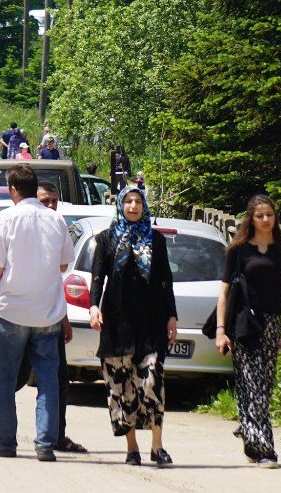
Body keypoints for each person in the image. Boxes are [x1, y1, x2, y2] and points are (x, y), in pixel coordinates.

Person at [214, 195, 281, 468]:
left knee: (262, 386)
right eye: (260, 215)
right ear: (251, 219)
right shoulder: (238, 250)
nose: (266, 220)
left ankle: (249, 430)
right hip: (243, 323)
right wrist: (221, 331)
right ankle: (265, 447)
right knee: (251, 384)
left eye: (270, 215)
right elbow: (224, 293)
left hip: (271, 323)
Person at [0, 165, 72, 461]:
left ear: (12, 190)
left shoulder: (6, 217)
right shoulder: (56, 219)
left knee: (3, 381)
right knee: (48, 381)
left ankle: (5, 445)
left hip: (11, 310)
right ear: (35, 189)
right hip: (47, 314)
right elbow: (63, 265)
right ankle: (45, 445)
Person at [88, 187, 177, 466]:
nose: (134, 205)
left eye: (138, 201)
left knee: (152, 382)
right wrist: (93, 307)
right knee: (122, 386)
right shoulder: (106, 240)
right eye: (128, 201)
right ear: (120, 205)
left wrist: (172, 316)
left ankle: (157, 445)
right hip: (117, 322)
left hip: (151, 323)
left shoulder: (156, 241)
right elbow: (97, 277)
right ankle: (132, 447)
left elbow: (165, 281)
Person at [35, 182, 86, 453]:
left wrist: (65, 318)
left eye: (54, 201)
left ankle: (57, 435)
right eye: (45, 201)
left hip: (53, 314)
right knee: (17, 377)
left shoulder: (58, 229)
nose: (51, 206)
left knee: (60, 379)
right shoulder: (26, 228)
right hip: (25, 316)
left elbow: (60, 273)